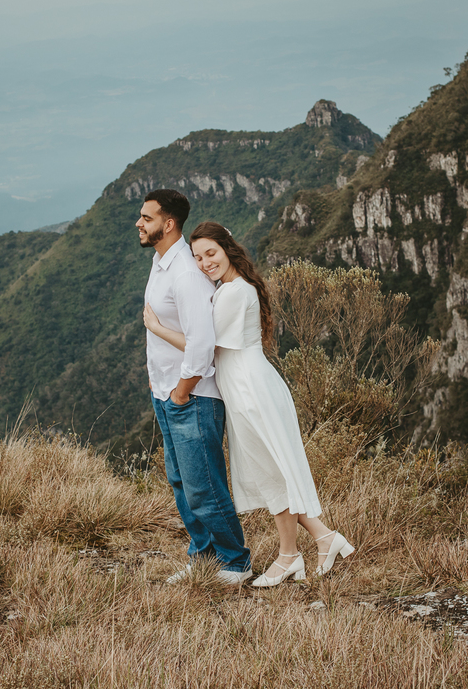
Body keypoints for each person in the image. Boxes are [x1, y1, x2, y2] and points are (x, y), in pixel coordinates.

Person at [144, 220, 354, 588]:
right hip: (246, 386)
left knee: (273, 473)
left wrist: (158, 328)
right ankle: (323, 538)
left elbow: (203, 345)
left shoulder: (232, 293)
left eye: (211, 253)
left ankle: (291, 555)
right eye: (197, 258)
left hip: (248, 389)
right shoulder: (232, 288)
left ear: (228, 249)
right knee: (272, 470)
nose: (205, 263)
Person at [136, 190, 252, 585]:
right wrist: (159, 381)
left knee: (203, 484)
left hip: (193, 397)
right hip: (167, 391)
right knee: (181, 481)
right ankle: (203, 557)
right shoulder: (161, 263)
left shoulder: (186, 273)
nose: (139, 223)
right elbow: (168, 331)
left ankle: (236, 561)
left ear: (168, 224)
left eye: (146, 218)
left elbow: (202, 344)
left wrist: (183, 390)